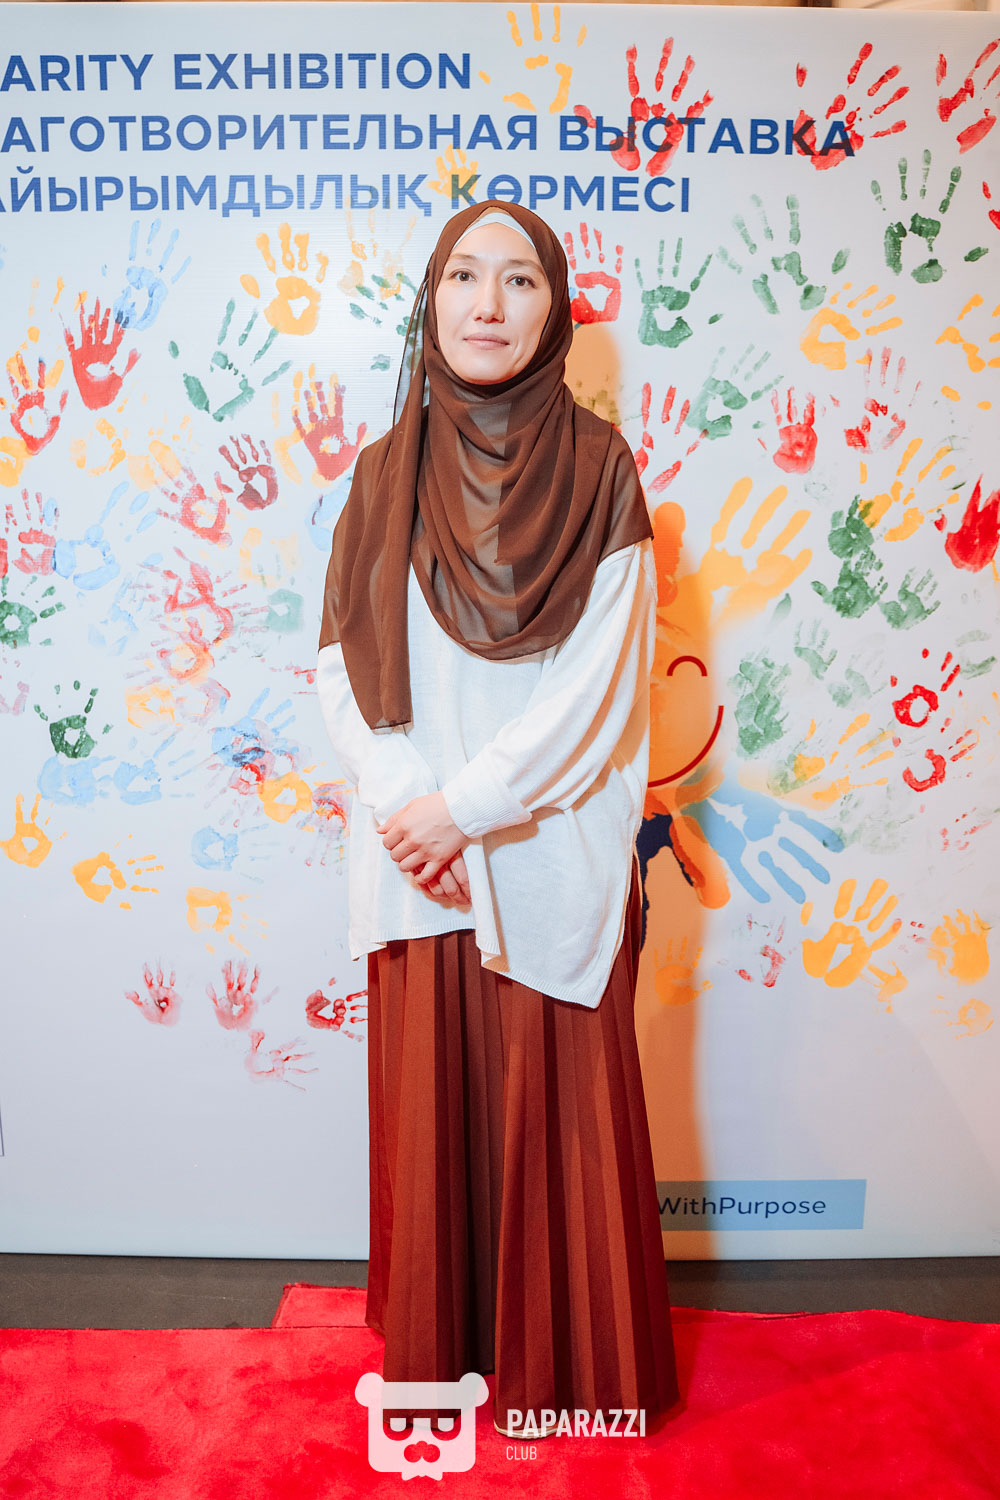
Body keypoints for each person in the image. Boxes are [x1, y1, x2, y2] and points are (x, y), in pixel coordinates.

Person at [316, 200, 680, 1437]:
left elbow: (600, 690)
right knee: (436, 1123)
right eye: (463, 276)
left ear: (553, 309)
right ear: (429, 301)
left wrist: (462, 811)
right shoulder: (382, 474)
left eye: (518, 281)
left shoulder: (601, 469)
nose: (486, 305)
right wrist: (407, 813)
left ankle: (566, 1387)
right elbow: (338, 664)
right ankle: (444, 1356)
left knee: (558, 1121)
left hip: (540, 853)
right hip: (417, 864)